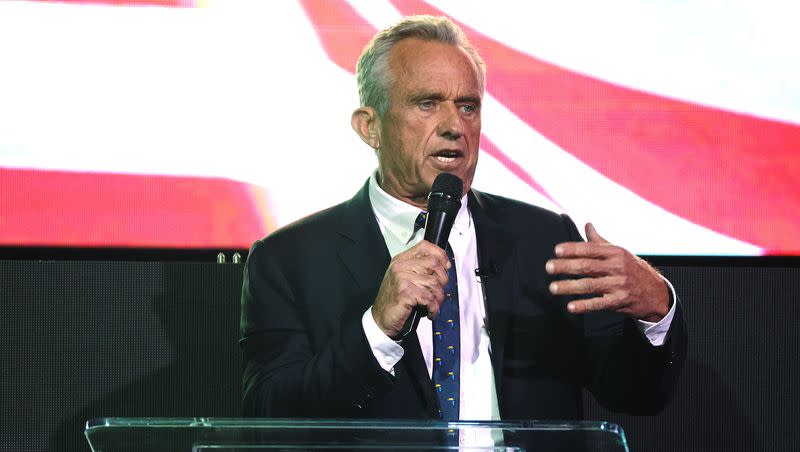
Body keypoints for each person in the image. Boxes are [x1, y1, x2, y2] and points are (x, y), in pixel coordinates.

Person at [240, 15, 685, 427]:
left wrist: (656, 309)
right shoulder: (288, 261)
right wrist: (376, 330)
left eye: (468, 106)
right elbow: (269, 417)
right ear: (369, 127)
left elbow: (637, 394)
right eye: (428, 103)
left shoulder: (545, 241)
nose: (455, 125)